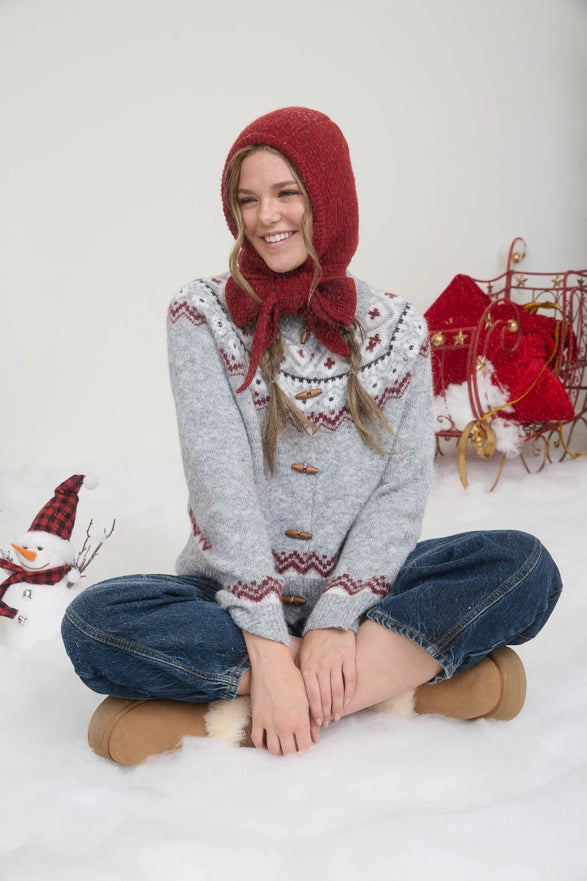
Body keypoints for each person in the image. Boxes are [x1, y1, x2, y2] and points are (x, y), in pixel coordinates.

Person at [61, 107, 562, 765]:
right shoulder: (200, 313)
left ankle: (240, 712)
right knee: (94, 620)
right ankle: (398, 686)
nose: (265, 216)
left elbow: (399, 495)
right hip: (231, 601)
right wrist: (269, 644)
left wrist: (333, 619)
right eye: (247, 199)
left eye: (286, 192)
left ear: (328, 197)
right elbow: (221, 486)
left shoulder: (400, 329)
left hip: (365, 595)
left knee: (523, 564)